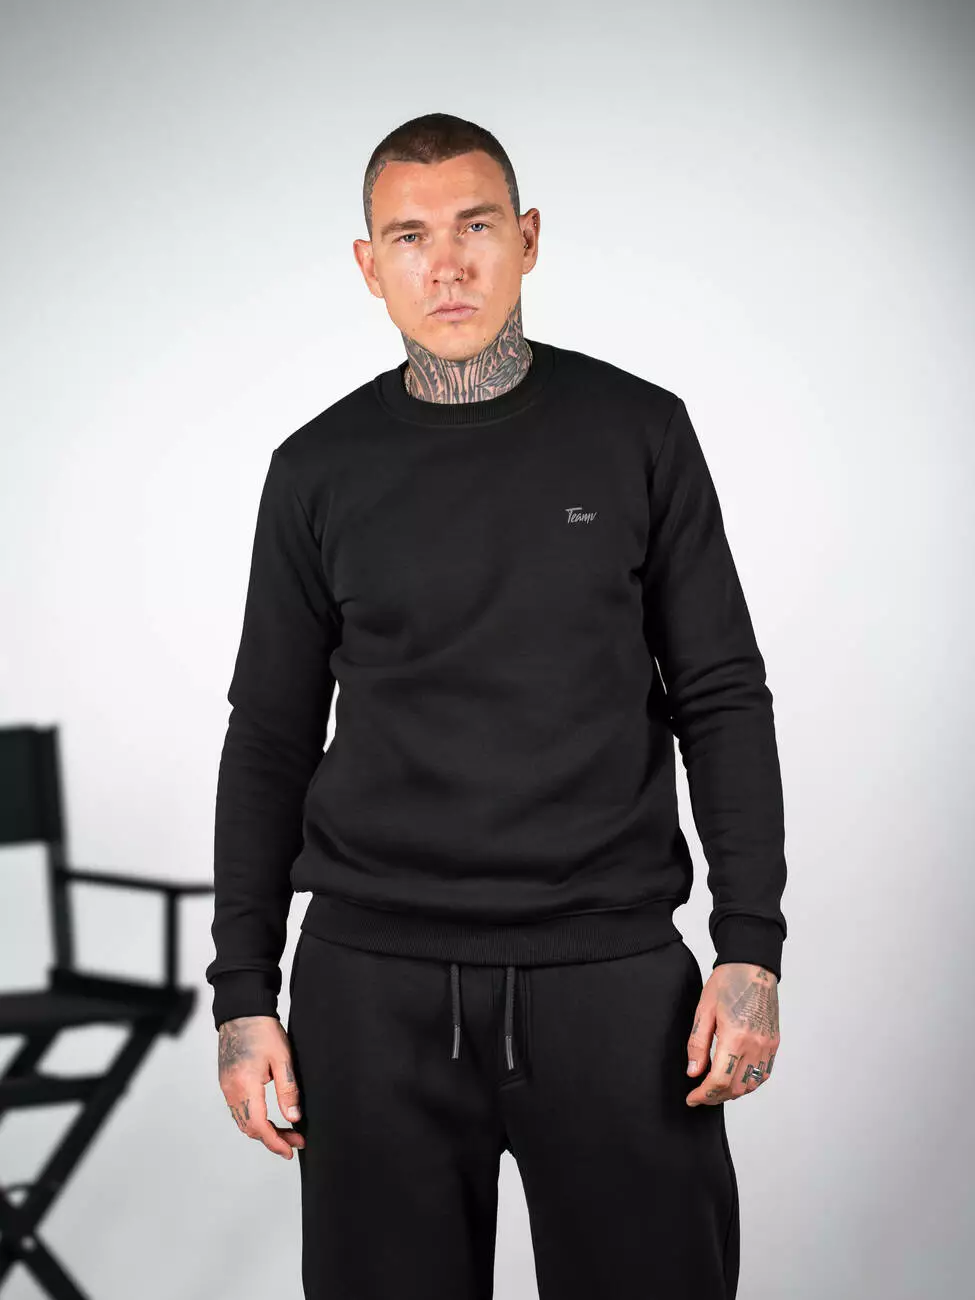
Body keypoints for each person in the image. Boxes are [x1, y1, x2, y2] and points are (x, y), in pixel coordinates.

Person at [205, 111, 786, 1300]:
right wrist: (243, 993)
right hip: (373, 987)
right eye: (409, 236)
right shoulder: (316, 471)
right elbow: (268, 737)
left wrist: (750, 947)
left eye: (474, 227)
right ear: (368, 265)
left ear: (527, 239)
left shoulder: (639, 432)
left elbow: (721, 692)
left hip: (611, 976)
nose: (447, 264)